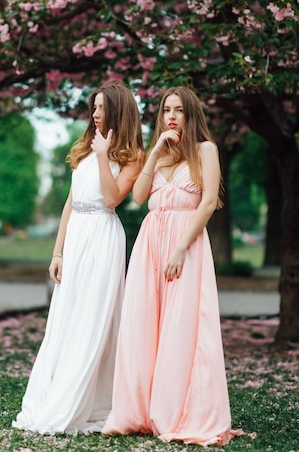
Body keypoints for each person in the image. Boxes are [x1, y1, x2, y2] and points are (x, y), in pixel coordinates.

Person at [103, 86, 242, 446]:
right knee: (145, 323)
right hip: (150, 242)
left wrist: (181, 247)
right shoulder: (160, 155)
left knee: (182, 327)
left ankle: (178, 411)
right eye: (166, 110)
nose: (171, 117)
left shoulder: (205, 150)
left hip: (185, 243)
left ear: (191, 114)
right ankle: (142, 411)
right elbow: (136, 198)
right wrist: (153, 155)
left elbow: (209, 202)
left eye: (179, 110)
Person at [13, 80, 144, 435]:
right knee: (67, 316)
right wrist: (58, 252)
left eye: (102, 108)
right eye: (94, 107)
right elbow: (70, 204)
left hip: (103, 235)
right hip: (78, 234)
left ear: (118, 111)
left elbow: (113, 197)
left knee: (94, 316)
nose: (95, 114)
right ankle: (56, 391)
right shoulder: (84, 146)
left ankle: (90, 400)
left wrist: (104, 156)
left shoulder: (132, 156)